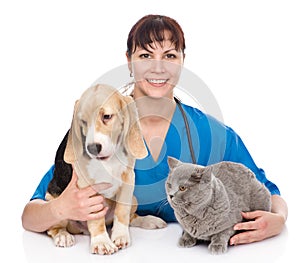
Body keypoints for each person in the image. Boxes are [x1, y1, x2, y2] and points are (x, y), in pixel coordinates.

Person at [22, 14, 288, 246]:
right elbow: (30, 215)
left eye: (170, 56)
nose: (158, 68)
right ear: (129, 61)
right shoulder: (96, 130)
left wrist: (278, 220)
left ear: (183, 60)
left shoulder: (211, 134)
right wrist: (60, 208)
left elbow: (268, 191)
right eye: (145, 55)